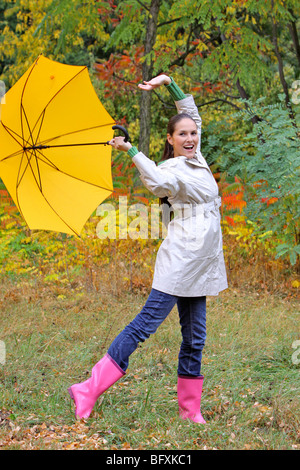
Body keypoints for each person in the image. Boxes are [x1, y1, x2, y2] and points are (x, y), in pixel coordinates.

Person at [68, 74, 228, 423]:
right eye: (182, 134)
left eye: (192, 133)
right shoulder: (171, 168)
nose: (190, 137)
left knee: (195, 337)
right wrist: (132, 151)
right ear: (170, 140)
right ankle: (87, 389)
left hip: (200, 265)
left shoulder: (197, 158)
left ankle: (190, 410)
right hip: (180, 262)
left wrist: (169, 83)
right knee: (144, 327)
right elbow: (155, 181)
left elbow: (192, 113)